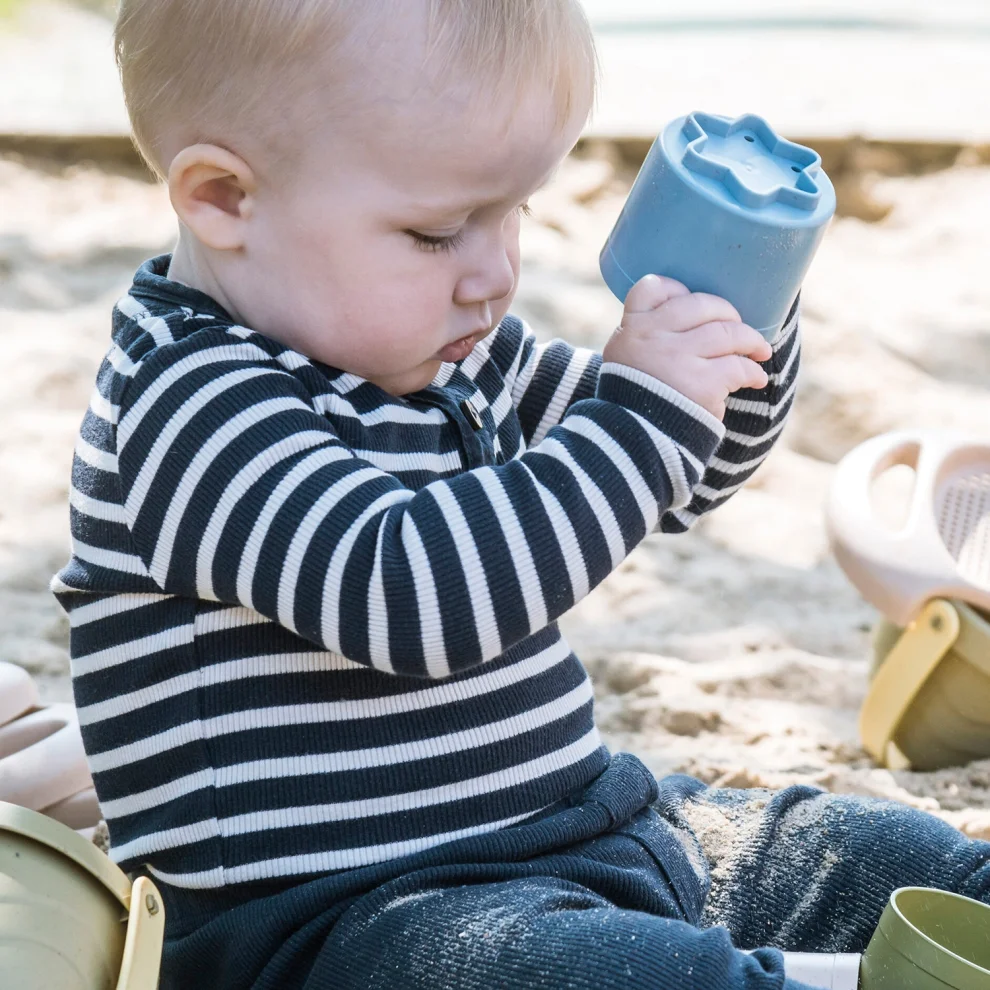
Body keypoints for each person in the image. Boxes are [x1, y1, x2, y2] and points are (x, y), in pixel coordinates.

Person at [51, 1, 990, 987]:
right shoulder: (186, 408)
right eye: (439, 230)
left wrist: (731, 329)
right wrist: (644, 412)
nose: (495, 275)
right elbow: (407, 593)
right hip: (357, 924)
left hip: (591, 833)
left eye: (516, 212)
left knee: (870, 861)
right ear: (224, 198)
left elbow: (676, 478)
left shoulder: (439, 350)